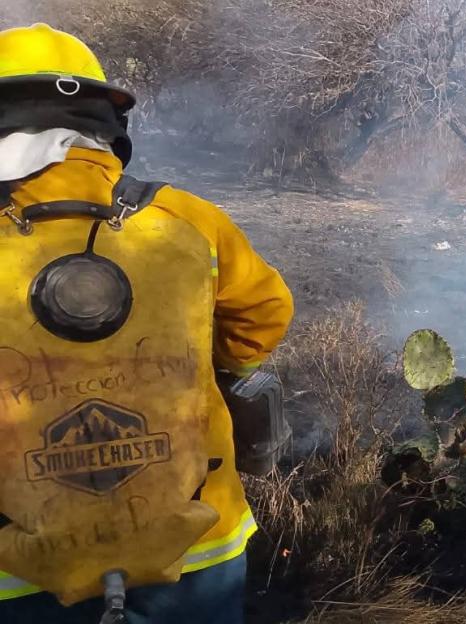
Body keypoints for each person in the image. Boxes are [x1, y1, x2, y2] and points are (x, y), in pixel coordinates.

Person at [0, 23, 293, 623]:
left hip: (23, 571)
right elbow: (266, 312)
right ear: (103, 124)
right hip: (195, 547)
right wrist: (213, 365)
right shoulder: (186, 219)